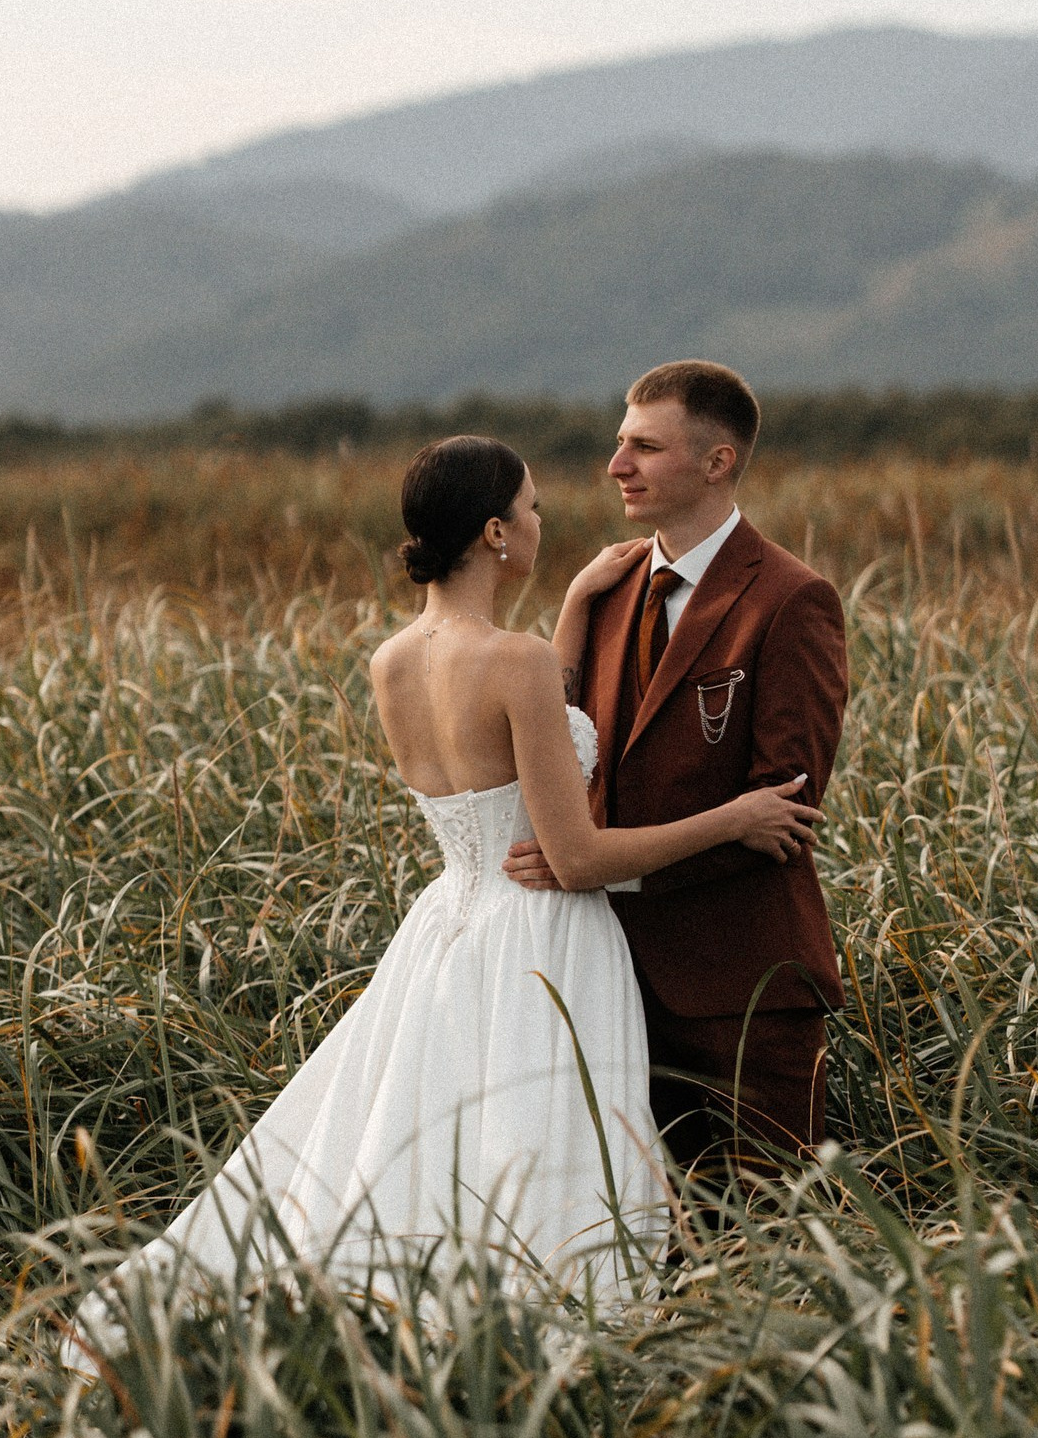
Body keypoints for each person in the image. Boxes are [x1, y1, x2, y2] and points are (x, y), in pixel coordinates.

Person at [62, 435, 822, 1373]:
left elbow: (512, 750)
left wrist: (578, 605)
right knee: (529, 1152)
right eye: (534, 510)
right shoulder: (516, 663)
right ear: (498, 532)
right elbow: (575, 856)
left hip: (447, 930)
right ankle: (533, 1351)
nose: (546, 526)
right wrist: (734, 817)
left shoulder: (394, 661)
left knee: (420, 1138)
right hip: (542, 938)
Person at [504, 361, 849, 1182]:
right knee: (645, 1238)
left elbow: (782, 817)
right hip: (607, 983)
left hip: (745, 990)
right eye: (620, 444)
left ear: (717, 462)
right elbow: (568, 753)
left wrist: (595, 870)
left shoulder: (792, 600)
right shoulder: (610, 592)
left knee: (767, 1233)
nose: (616, 465)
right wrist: (574, 609)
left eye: (645, 448)